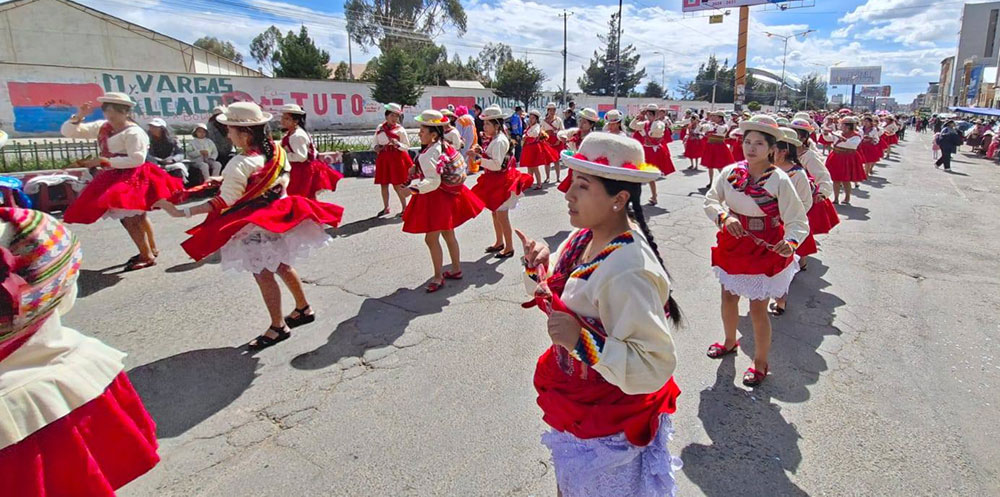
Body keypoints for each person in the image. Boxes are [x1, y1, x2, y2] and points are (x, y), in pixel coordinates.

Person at [518, 132, 681, 497]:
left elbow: (653, 364)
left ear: (619, 199)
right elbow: (555, 290)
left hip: (608, 416)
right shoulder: (584, 239)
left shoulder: (628, 268)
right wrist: (537, 267)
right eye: (571, 182)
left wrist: (580, 340)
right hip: (579, 401)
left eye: (582, 186)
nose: (567, 194)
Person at [154, 102, 344, 350]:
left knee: (264, 273)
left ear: (244, 134)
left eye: (229, 130)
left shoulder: (240, 163)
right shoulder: (276, 151)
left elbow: (224, 201)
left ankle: (278, 327)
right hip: (275, 217)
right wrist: (226, 180)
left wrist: (182, 212)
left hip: (254, 225)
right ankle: (303, 308)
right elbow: (273, 178)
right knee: (282, 265)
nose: (227, 134)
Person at [0, 207, 159, 496]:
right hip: (54, 382)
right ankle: (148, 251)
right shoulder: (23, 227)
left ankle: (148, 252)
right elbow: (63, 297)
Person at [703, 115, 809, 387]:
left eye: (759, 143)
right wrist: (725, 218)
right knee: (728, 296)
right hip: (734, 240)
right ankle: (729, 341)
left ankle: (760, 362)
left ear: (772, 148)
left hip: (765, 244)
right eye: (747, 142)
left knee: (757, 307)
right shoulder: (730, 172)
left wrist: (792, 241)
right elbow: (711, 200)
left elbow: (797, 219)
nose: (751, 148)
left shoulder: (779, 180)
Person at [60, 92, 182, 271]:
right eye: (107, 112)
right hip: (114, 175)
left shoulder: (134, 132)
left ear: (125, 112)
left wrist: (104, 161)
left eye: (114, 113)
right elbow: (69, 132)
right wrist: (79, 116)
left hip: (132, 176)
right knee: (135, 217)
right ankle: (150, 249)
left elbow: (137, 159)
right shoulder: (104, 127)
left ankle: (147, 254)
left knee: (132, 218)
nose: (111, 117)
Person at [402, 110, 485, 293]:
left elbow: (433, 180)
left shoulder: (429, 152)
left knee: (431, 239)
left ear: (433, 134)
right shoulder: (443, 145)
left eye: (422, 130)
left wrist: (412, 189)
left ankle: (438, 277)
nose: (419, 133)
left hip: (435, 198)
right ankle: (455, 269)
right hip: (447, 196)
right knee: (448, 234)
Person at [470, 105, 533, 259]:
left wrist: (478, 159)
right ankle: (499, 242)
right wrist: (481, 153)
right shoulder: (496, 139)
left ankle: (509, 247)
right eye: (484, 123)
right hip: (494, 180)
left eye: (487, 124)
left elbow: (497, 164)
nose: (484, 126)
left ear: (496, 125)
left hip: (501, 182)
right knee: (495, 213)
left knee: (502, 216)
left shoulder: (499, 141)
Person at [769, 128, 815, 315]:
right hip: (767, 224)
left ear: (784, 151)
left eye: (773, 149)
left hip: (785, 225)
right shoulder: (768, 169)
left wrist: (787, 218)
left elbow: (806, 202)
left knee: (782, 263)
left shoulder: (798, 175)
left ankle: (781, 300)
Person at [790, 119, 839, 261]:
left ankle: (802, 260)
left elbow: (822, 175)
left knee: (798, 227)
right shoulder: (785, 151)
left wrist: (822, 192)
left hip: (802, 197)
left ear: (804, 138)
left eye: (795, 134)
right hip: (785, 196)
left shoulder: (808, 156)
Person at [277, 104, 343, 200]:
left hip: (301, 171)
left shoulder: (297, 136)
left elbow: (301, 156)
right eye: (283, 117)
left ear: (295, 121)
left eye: (286, 118)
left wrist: (282, 155)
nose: (282, 120)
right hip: (298, 169)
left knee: (299, 197)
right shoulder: (293, 133)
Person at [374, 103, 413, 217]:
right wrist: (376, 147)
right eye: (392, 115)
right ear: (386, 116)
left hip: (396, 158)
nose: (394, 118)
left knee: (397, 185)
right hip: (383, 158)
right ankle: (386, 207)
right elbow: (375, 142)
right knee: (384, 184)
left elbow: (407, 146)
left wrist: (398, 144)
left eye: (396, 116)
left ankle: (405, 208)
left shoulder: (400, 130)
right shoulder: (380, 128)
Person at [556, 107, 601, 193]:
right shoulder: (574, 132)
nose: (581, 124)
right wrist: (562, 136)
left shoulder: (593, 138)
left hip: (586, 169)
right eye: (580, 121)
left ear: (591, 125)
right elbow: (562, 133)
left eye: (584, 122)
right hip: (574, 167)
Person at [824, 116, 866, 204]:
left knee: (846, 180)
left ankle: (847, 197)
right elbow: (829, 139)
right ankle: (836, 198)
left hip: (848, 157)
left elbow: (853, 145)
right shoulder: (838, 133)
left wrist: (843, 139)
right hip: (836, 156)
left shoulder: (856, 135)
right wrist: (826, 133)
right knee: (835, 179)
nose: (840, 126)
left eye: (842, 124)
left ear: (848, 126)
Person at [520, 109, 560, 189]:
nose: (531, 120)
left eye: (533, 118)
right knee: (529, 166)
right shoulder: (530, 127)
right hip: (529, 148)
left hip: (533, 148)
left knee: (534, 167)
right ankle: (529, 182)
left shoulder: (537, 126)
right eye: (530, 118)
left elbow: (534, 134)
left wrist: (526, 135)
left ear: (536, 119)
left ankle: (539, 183)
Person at [701, 110, 736, 189]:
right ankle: (711, 182)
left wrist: (714, 125)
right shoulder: (710, 124)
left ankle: (724, 182)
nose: (713, 118)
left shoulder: (724, 126)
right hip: (710, 145)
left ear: (720, 118)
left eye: (716, 116)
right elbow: (703, 130)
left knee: (720, 166)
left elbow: (721, 130)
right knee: (710, 166)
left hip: (719, 146)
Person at [541, 102, 566, 183]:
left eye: (554, 110)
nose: (552, 111)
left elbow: (562, 130)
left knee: (556, 161)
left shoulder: (558, 120)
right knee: (547, 161)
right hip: (547, 141)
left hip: (557, 140)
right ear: (548, 110)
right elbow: (541, 132)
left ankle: (558, 177)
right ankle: (547, 177)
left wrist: (559, 140)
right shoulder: (544, 121)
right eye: (551, 110)